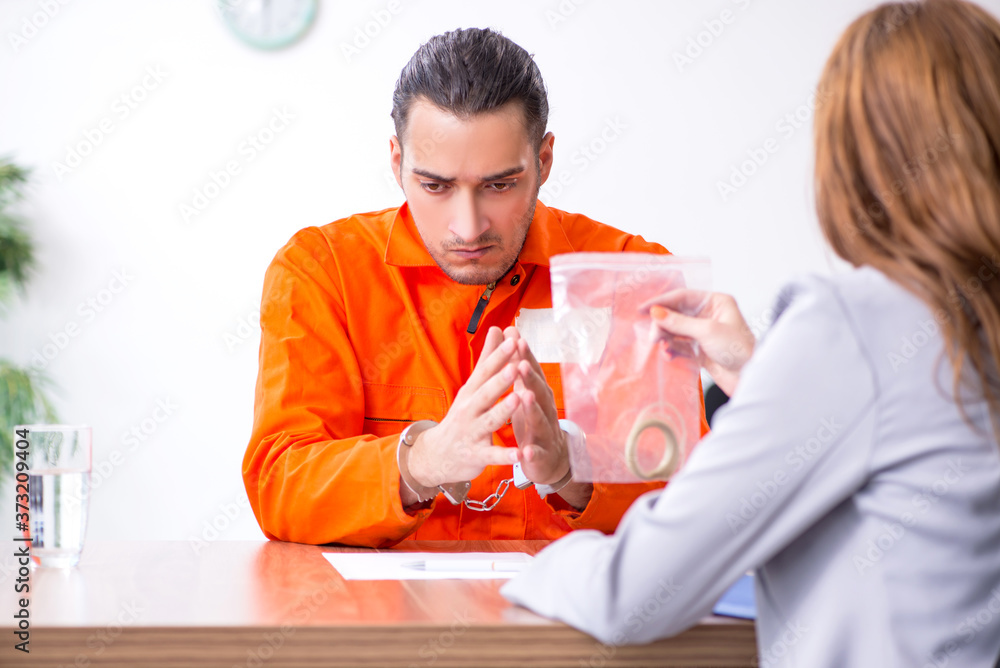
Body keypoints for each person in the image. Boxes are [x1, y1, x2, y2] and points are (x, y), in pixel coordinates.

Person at [501, 1, 1000, 666]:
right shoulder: (966, 317)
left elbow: (636, 594)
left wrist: (532, 564)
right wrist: (764, 379)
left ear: (851, 161)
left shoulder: (857, 322)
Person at [242, 28, 709, 547]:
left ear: (544, 162)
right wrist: (421, 461)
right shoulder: (321, 272)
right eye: (436, 186)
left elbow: (691, 498)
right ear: (397, 163)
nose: (468, 228)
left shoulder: (630, 276)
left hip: (570, 623)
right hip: (387, 622)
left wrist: (570, 469)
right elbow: (279, 482)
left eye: (499, 185)